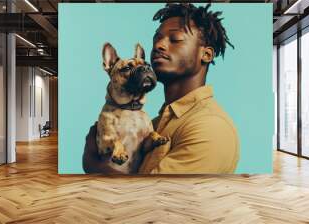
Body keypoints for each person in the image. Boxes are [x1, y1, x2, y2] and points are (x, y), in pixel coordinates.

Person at [83, 3, 239, 174]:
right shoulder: (156, 123)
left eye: (175, 39)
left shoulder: (210, 128)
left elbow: (158, 196)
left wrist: (95, 167)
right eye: (156, 39)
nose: (159, 46)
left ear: (206, 54)